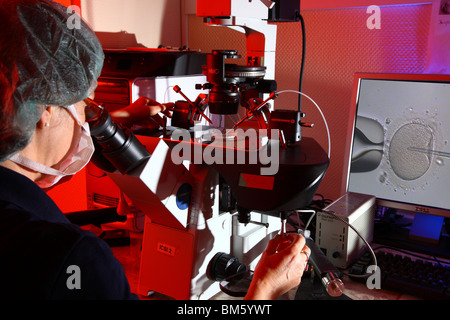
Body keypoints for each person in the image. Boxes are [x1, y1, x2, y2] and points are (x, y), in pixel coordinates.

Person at [0, 0, 310, 300]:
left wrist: (120, 119)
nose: (87, 117)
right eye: (83, 102)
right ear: (44, 112)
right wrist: (266, 289)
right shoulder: (73, 258)